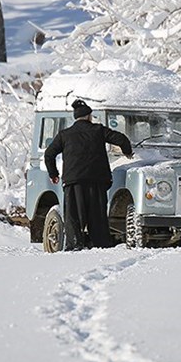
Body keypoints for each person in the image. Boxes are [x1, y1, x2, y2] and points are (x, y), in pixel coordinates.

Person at [44, 99, 133, 250]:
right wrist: (128, 152)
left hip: (73, 182)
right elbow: (121, 139)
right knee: (97, 215)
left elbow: (49, 154)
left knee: (73, 216)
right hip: (96, 181)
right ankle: (100, 244)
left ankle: (74, 245)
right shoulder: (98, 130)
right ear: (89, 116)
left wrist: (54, 173)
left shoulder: (64, 135)